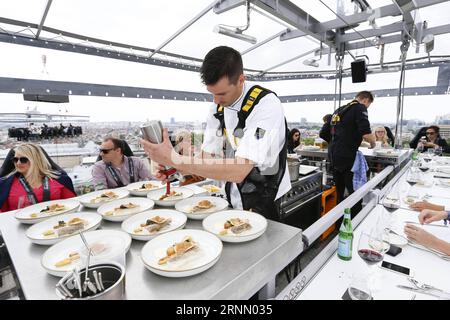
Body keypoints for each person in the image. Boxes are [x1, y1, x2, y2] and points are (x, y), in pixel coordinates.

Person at [141, 46, 291, 221]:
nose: (216, 100)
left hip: (268, 192)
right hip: (235, 189)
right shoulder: (219, 107)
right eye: (211, 93)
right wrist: (173, 168)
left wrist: (176, 159)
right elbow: (207, 157)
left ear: (241, 79)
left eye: (221, 93)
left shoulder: (265, 105)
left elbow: (240, 169)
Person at [321, 91, 376, 217]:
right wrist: (373, 144)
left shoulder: (338, 110)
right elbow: (366, 133)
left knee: (338, 189)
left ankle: (337, 220)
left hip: (334, 155)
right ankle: (354, 221)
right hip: (347, 156)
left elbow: (325, 133)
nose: (367, 107)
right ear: (366, 100)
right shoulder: (359, 108)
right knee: (354, 190)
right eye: (368, 105)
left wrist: (340, 142)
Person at [0, 143, 76, 212]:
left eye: (23, 160)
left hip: (55, 223)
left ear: (35, 160)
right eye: (15, 160)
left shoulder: (61, 180)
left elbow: (72, 205)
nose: (18, 163)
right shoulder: (5, 185)